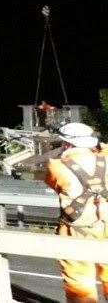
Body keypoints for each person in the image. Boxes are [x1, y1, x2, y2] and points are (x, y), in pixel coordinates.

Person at [45, 122, 107, 303]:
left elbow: (54, 183)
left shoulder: (56, 166)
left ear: (65, 143)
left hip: (77, 230)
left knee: (80, 283)